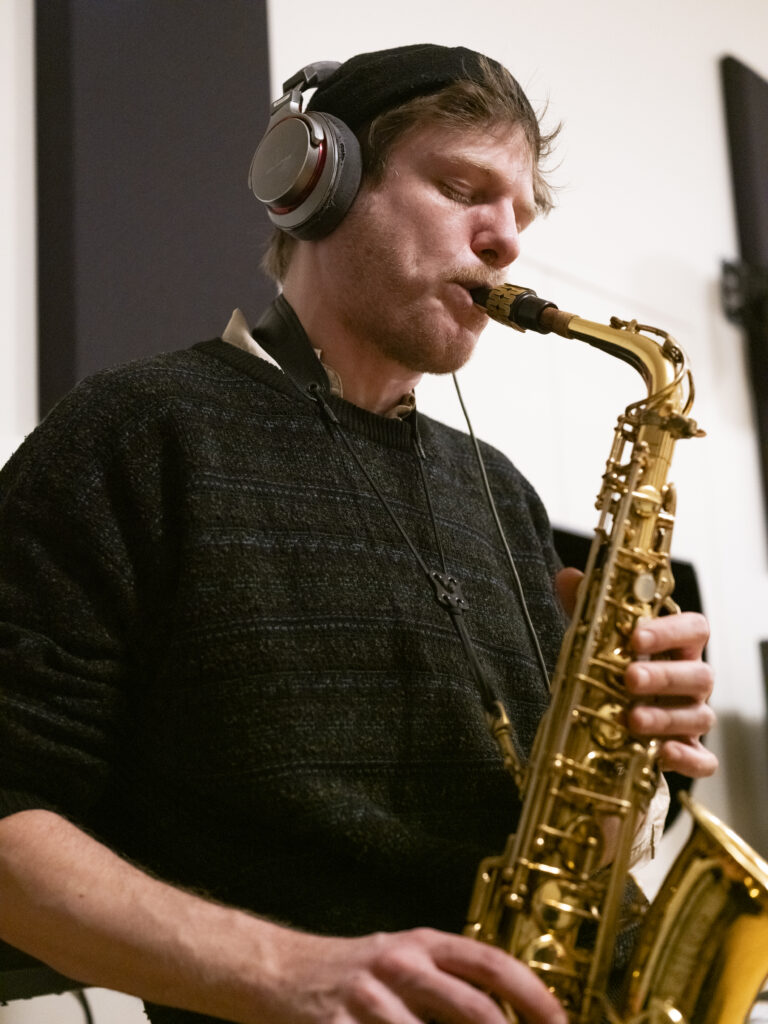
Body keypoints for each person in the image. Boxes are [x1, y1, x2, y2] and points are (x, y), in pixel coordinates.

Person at [0, 44, 715, 1024]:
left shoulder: (501, 492)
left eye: (522, 211)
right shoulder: (135, 434)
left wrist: (630, 762)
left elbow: (566, 849)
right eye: (463, 188)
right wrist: (294, 972)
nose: (506, 241)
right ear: (316, 184)